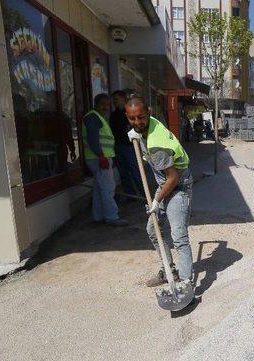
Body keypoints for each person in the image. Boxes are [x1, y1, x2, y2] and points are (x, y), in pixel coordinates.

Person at [125, 95, 193, 287]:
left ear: (149, 113)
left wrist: (156, 202)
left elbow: (173, 178)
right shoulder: (148, 125)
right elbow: (166, 179)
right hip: (165, 183)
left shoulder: (157, 146)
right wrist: (138, 134)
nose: (137, 122)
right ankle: (168, 270)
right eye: (132, 118)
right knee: (152, 230)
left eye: (141, 117)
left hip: (178, 185)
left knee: (179, 235)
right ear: (127, 116)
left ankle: (186, 283)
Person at [82, 93, 128, 226]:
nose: (105, 107)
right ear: (95, 104)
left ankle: (99, 216)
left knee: (99, 189)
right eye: (102, 104)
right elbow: (92, 138)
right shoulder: (92, 117)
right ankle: (112, 217)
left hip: (99, 157)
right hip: (99, 158)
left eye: (108, 105)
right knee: (108, 188)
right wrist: (101, 155)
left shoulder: (98, 117)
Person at [110, 90, 143, 199]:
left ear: (123, 99)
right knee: (123, 173)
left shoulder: (130, 113)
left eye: (116, 99)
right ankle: (131, 195)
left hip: (130, 146)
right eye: (113, 100)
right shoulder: (113, 115)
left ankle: (145, 195)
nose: (114, 102)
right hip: (118, 147)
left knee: (136, 172)